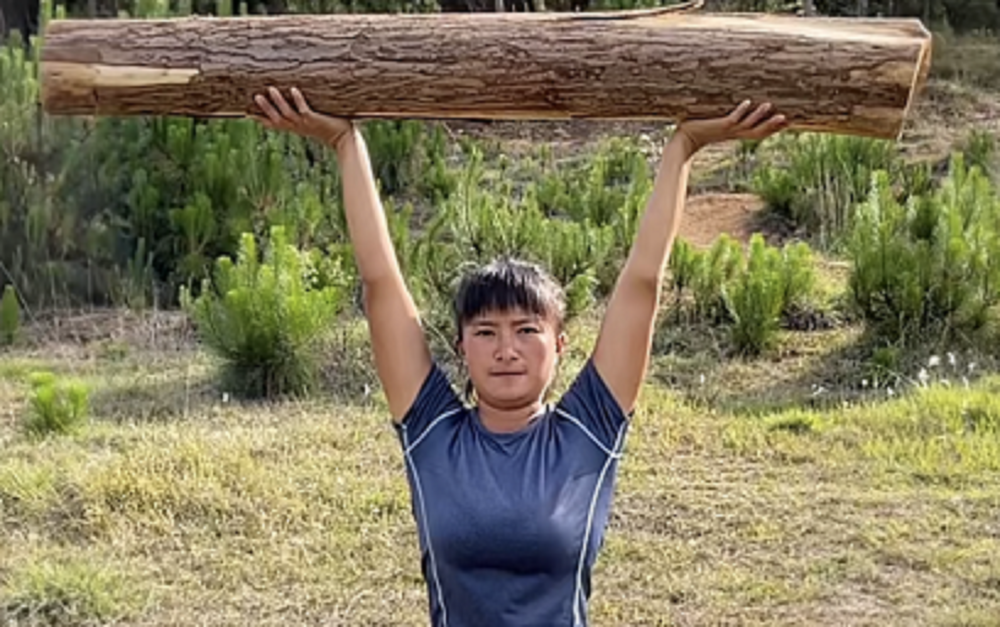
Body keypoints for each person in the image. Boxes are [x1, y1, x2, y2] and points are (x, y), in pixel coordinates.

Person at [251, 86, 787, 627]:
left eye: (527, 329)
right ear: (461, 347)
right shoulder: (433, 431)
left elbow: (642, 282)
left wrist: (684, 146)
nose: (506, 350)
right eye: (485, 332)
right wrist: (346, 141)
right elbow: (380, 283)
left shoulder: (589, 430)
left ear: (559, 344)